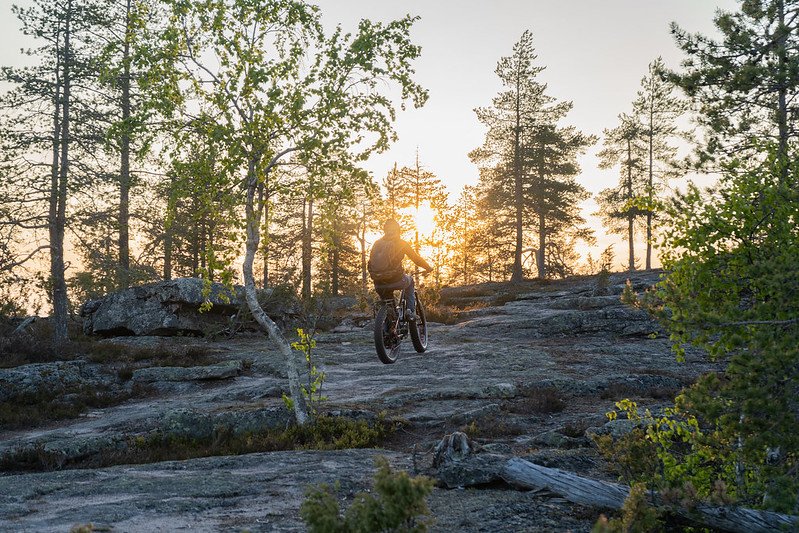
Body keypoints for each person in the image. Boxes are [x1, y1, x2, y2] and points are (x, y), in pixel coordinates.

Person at [368, 219, 433, 321]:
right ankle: (410, 312)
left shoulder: (377, 243)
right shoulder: (402, 243)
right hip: (397, 281)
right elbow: (416, 259)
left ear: (384, 230)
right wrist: (428, 267)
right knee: (410, 281)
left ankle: (388, 327)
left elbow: (372, 262)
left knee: (388, 305)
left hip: (378, 284)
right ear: (398, 230)